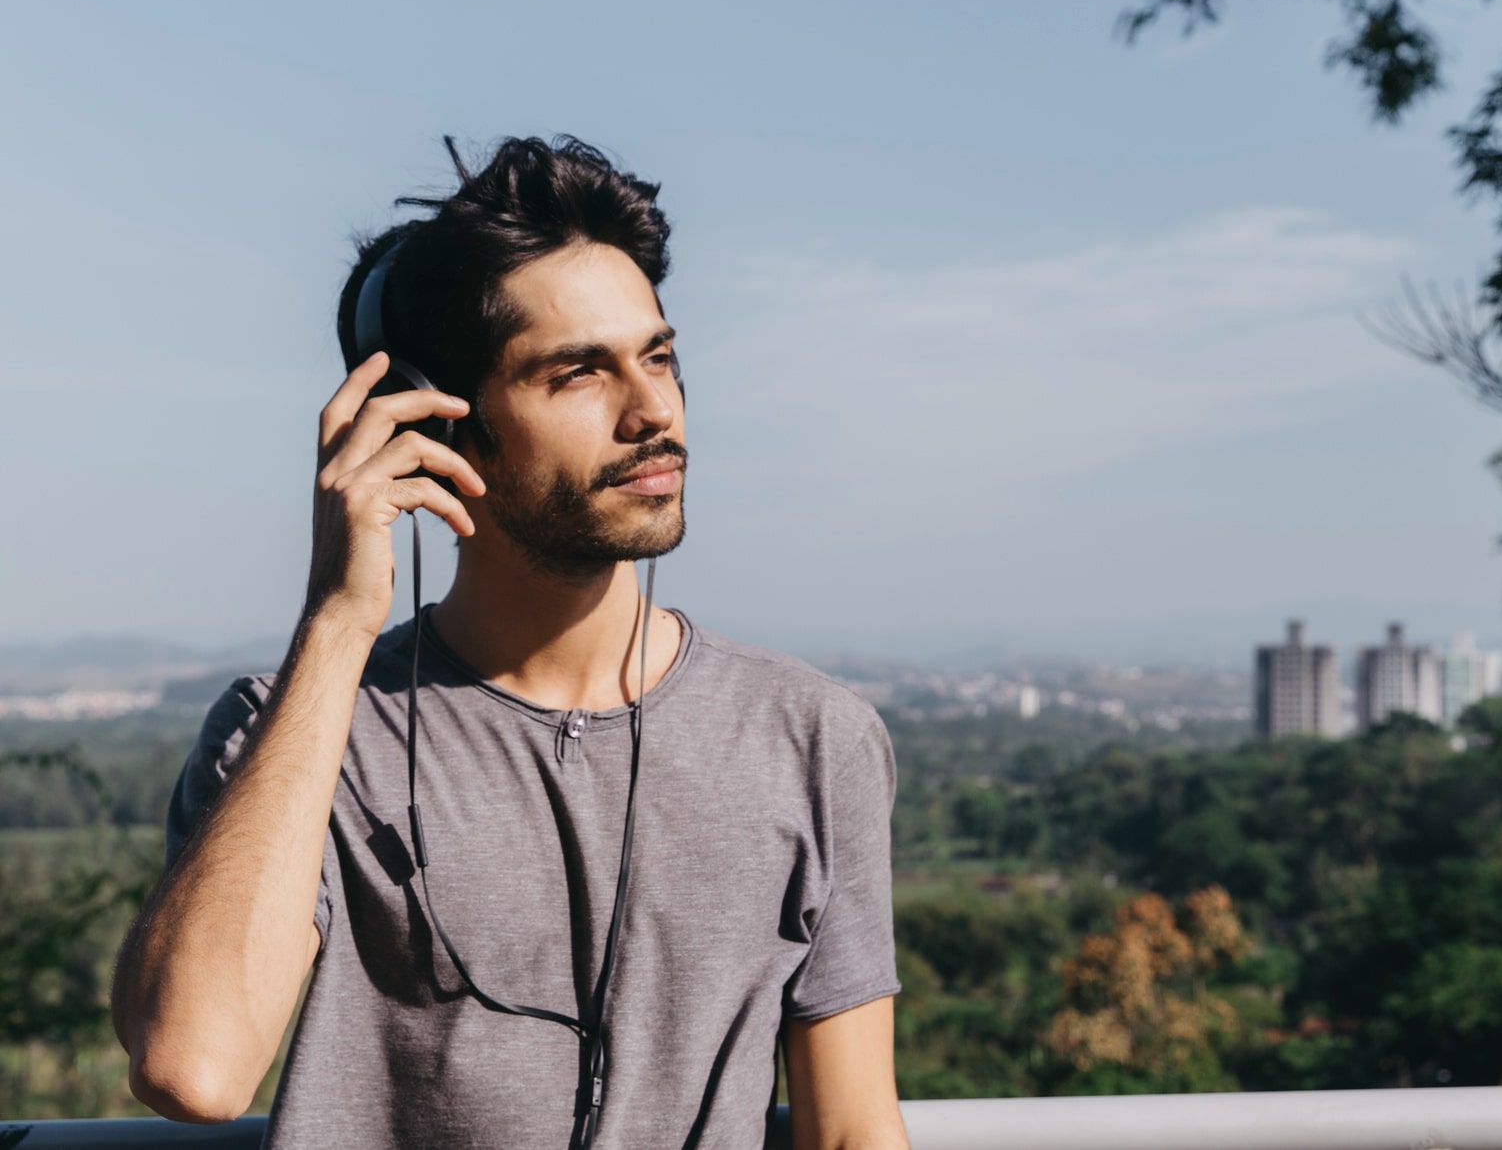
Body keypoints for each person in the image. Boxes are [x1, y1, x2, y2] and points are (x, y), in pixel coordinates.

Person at [110, 137, 907, 1150]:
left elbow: (850, 1133)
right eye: (579, 373)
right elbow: (194, 1065)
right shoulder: (292, 733)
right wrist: (337, 618)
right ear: (439, 427)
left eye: (657, 356)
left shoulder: (810, 735)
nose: (653, 411)